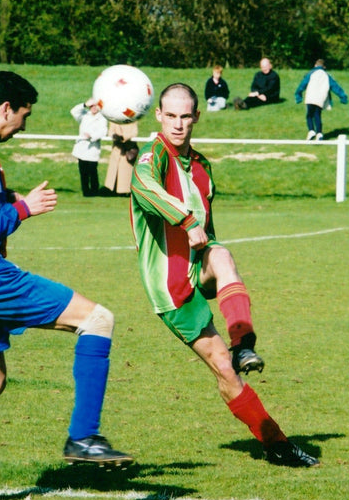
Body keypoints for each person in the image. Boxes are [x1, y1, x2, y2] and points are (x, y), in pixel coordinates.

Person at [0, 71, 132, 500]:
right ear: (4, 109)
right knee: (98, 319)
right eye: (23, 116)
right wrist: (22, 209)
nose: (23, 125)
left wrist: (5, 197)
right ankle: (84, 435)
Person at [130, 83, 320, 468]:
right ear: (159, 116)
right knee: (223, 369)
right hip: (171, 285)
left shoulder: (202, 166)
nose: (179, 124)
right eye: (171, 116)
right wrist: (185, 221)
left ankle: (244, 342)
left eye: (186, 116)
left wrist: (201, 236)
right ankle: (276, 445)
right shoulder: (152, 157)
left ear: (196, 117)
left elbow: (208, 230)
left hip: (198, 265)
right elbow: (142, 186)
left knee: (222, 254)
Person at [294, 59, 348, 141]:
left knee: (309, 115)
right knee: (317, 115)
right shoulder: (326, 75)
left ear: (315, 65)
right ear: (324, 67)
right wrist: (343, 97)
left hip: (310, 97)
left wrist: (298, 95)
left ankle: (311, 130)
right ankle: (319, 133)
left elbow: (303, 84)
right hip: (320, 98)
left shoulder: (310, 73)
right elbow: (335, 86)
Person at [70, 98, 108, 197]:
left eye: (95, 106)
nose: (93, 108)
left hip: (92, 148)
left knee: (92, 171)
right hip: (81, 148)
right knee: (83, 171)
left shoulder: (102, 118)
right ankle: (86, 192)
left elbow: (103, 132)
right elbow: (73, 111)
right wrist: (84, 104)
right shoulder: (84, 115)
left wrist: (91, 135)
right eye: (91, 106)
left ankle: (95, 191)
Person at [102, 121, 139, 196]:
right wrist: (114, 135)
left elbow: (134, 132)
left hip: (128, 149)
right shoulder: (115, 119)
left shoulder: (132, 119)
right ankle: (112, 189)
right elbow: (111, 131)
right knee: (114, 171)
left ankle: (126, 190)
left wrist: (123, 137)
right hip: (117, 149)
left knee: (126, 172)